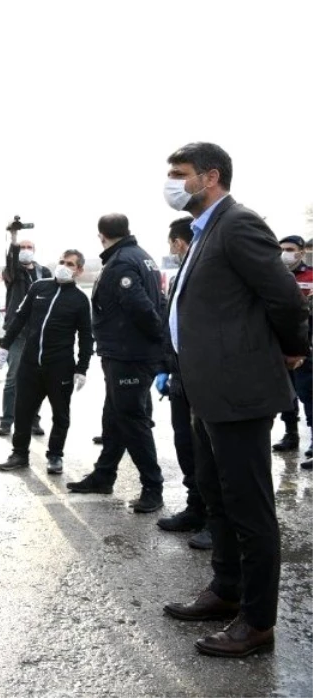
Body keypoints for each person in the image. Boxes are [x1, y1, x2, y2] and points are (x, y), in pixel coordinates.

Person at [160, 142, 308, 659]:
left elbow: (284, 295)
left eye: (180, 174)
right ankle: (226, 590)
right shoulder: (203, 233)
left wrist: (293, 350)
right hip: (205, 389)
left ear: (211, 176)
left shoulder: (239, 223)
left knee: (249, 506)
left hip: (239, 391)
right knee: (216, 494)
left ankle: (258, 620)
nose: (172, 183)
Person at [67, 214, 167, 513]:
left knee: (132, 420)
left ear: (101, 235)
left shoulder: (122, 262)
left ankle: (153, 486)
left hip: (130, 355)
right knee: (114, 416)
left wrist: (156, 344)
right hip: (124, 353)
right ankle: (104, 474)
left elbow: (143, 308)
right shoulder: (140, 256)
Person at [0, 250, 93, 475]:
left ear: (79, 270)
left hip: (59, 367)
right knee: (22, 410)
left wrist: (82, 368)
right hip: (30, 363)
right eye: (61, 261)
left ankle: (55, 456)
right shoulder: (39, 287)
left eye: (70, 264)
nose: (64, 266)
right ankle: (19, 453)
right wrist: (4, 345)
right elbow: (20, 318)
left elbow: (86, 337)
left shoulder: (79, 300)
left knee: (60, 414)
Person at [153, 216, 212, 550]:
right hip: (181, 378)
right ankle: (196, 508)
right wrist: (166, 368)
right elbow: (170, 325)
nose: (171, 250)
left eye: (170, 243)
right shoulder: (180, 274)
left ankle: (220, 524)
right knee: (186, 447)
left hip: (204, 377)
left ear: (178, 241)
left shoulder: (206, 268)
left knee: (211, 454)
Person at [0, 229, 51, 437]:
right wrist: (13, 238)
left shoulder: (43, 272)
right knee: (13, 378)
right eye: (22, 248)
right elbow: (11, 261)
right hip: (17, 333)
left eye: (29, 247)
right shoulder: (12, 272)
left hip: (38, 332)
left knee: (37, 379)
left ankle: (33, 419)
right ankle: (6, 421)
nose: (26, 251)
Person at [272, 234, 313, 454]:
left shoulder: (311, 275)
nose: (285, 254)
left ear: (301, 251)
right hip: (280, 345)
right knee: (286, 395)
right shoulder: (275, 275)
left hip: (307, 344)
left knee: (308, 393)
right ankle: (291, 434)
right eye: (281, 250)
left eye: (289, 249)